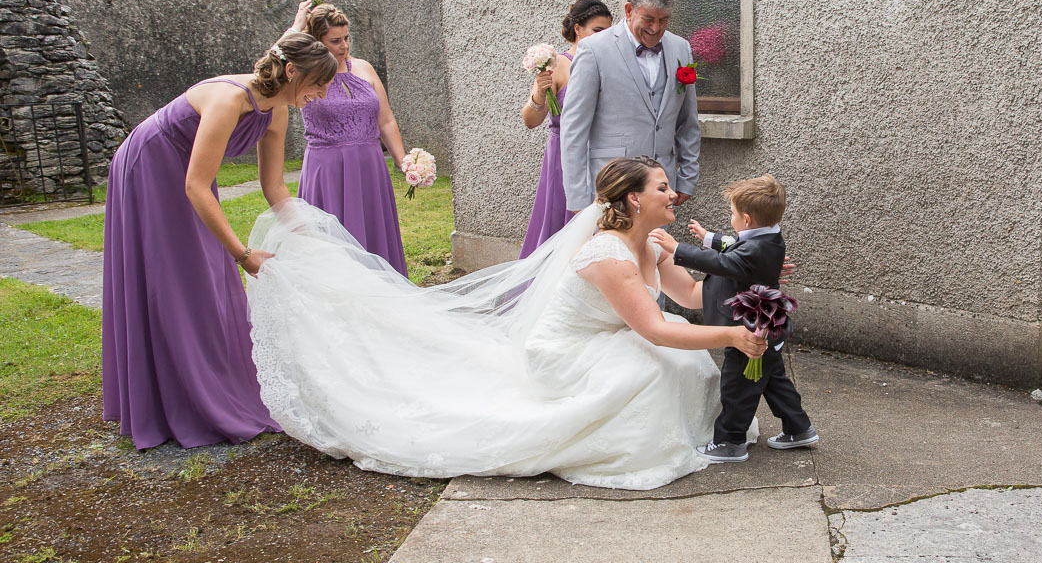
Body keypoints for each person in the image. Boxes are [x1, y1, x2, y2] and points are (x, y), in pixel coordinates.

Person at [243, 156, 767, 490]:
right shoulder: (608, 253)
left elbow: (695, 296)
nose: (672, 195)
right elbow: (654, 328)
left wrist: (752, 272)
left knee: (687, 363)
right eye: (662, 187)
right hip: (563, 353)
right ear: (634, 198)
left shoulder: (653, 242)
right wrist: (733, 337)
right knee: (656, 369)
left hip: (610, 338)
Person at [102, 30, 338, 450]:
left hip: (190, 173)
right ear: (290, 72)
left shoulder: (278, 111)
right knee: (176, 277)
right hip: (150, 167)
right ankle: (176, 399)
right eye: (318, 84)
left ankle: (216, 387)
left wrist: (307, 231)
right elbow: (197, 185)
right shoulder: (230, 99)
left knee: (211, 283)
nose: (321, 95)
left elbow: (274, 188)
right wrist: (243, 253)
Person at [651, 175, 817, 463]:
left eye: (733, 214)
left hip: (749, 329)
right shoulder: (768, 237)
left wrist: (676, 248)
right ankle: (799, 428)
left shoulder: (754, 250)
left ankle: (730, 442)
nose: (732, 219)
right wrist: (707, 237)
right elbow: (734, 244)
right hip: (767, 325)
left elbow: (724, 262)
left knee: (736, 388)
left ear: (748, 219)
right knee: (774, 382)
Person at [560, 0, 700, 214]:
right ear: (628, 10)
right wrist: (577, 198)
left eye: (663, 20)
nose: (656, 28)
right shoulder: (594, 50)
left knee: (656, 252)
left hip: (661, 190)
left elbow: (688, 121)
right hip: (612, 189)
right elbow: (573, 129)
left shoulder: (680, 48)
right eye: (648, 19)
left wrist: (687, 177)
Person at [290, 1, 409, 274]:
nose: (344, 46)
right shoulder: (300, 73)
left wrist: (403, 162)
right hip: (328, 170)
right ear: (316, 41)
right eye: (335, 40)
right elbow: (268, 69)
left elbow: (386, 120)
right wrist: (295, 28)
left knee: (373, 236)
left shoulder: (364, 68)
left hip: (370, 167)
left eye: (346, 38)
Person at [519, 0, 613, 257]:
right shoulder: (559, 64)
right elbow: (530, 120)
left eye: (608, 32)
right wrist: (540, 93)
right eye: (597, 31)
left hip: (601, 156)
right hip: (563, 155)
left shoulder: (609, 65)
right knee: (564, 225)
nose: (603, 37)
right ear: (578, 29)